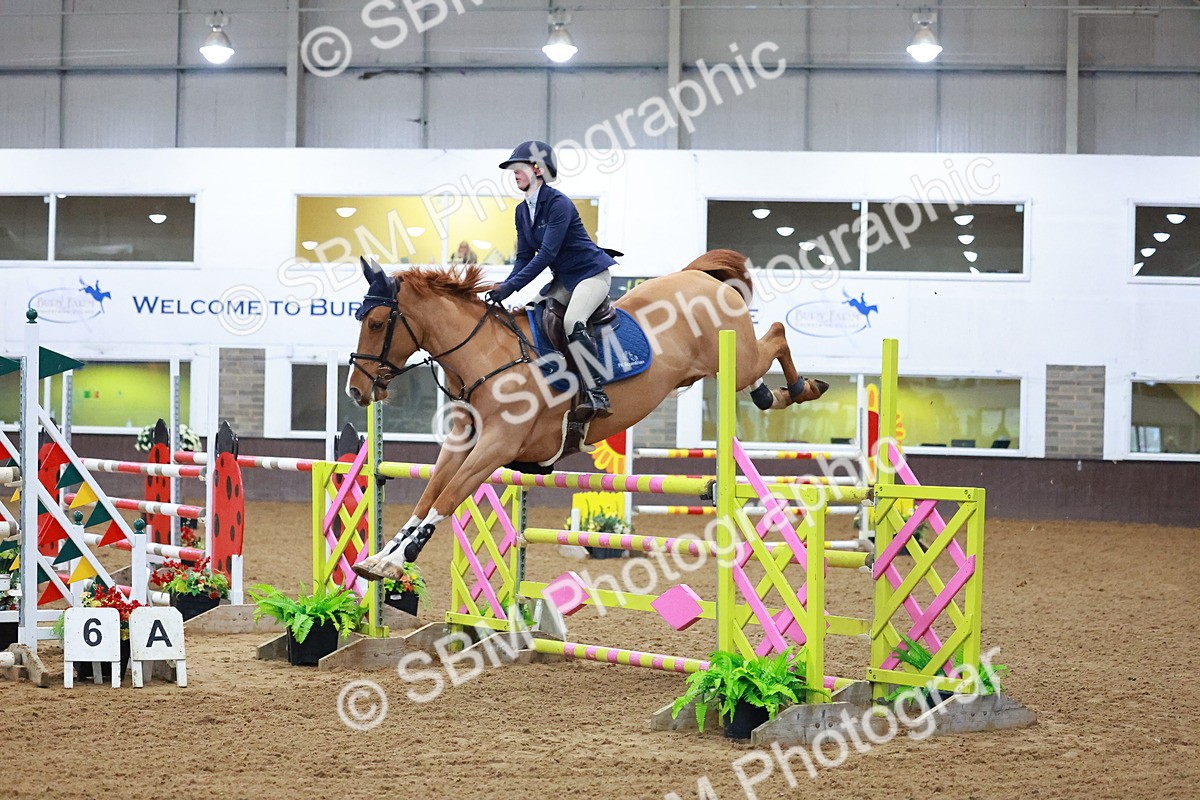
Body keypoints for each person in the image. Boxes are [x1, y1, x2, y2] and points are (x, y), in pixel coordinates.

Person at [484, 140, 617, 420]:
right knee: (529, 314)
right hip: (565, 280)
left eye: (518, 168)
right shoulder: (522, 211)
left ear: (537, 169)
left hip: (591, 274)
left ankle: (596, 393)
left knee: (572, 322)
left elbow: (545, 254)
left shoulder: (559, 204)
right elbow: (523, 257)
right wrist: (503, 288)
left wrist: (510, 287)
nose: (514, 174)